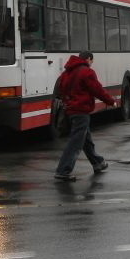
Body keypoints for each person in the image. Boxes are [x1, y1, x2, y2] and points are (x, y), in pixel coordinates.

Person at [54, 51, 116, 182]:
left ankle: (98, 163)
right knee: (75, 142)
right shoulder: (87, 72)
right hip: (81, 111)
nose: (91, 64)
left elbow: (60, 89)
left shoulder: (66, 73)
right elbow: (97, 89)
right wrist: (111, 101)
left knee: (86, 140)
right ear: (88, 59)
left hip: (70, 110)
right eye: (92, 61)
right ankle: (63, 171)